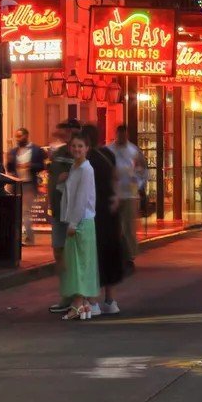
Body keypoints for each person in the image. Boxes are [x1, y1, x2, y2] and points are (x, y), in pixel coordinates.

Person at [84, 125, 126, 315]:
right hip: (110, 208)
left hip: (94, 211)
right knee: (109, 253)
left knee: (93, 254)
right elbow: (117, 178)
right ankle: (110, 300)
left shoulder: (86, 159)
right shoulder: (108, 155)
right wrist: (117, 197)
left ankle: (92, 301)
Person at [58, 132, 99, 320]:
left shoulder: (85, 169)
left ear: (87, 148)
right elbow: (71, 193)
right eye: (74, 146)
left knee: (78, 264)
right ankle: (82, 304)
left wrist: (73, 223)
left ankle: (77, 303)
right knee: (78, 263)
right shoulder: (75, 167)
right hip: (77, 219)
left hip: (81, 221)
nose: (77, 149)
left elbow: (82, 199)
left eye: (80, 146)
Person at [44, 120, 78, 314]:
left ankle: (78, 295)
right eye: (64, 129)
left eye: (70, 130)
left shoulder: (80, 155)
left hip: (74, 211)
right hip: (58, 210)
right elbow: (51, 181)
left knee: (74, 254)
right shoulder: (57, 154)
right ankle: (66, 293)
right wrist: (50, 207)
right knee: (59, 251)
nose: (66, 133)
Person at [108, 125, 141, 263]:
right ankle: (116, 254)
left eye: (124, 135)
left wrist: (137, 184)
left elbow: (141, 170)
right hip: (114, 193)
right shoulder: (109, 150)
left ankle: (130, 255)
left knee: (129, 225)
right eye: (120, 134)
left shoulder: (133, 150)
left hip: (130, 194)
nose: (122, 137)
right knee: (115, 225)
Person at [9, 128, 46, 246]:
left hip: (29, 184)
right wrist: (9, 161)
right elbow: (10, 168)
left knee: (25, 211)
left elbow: (42, 166)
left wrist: (30, 165)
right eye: (16, 137)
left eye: (20, 136)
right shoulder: (14, 151)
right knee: (15, 211)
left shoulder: (36, 150)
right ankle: (17, 238)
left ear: (26, 136)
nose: (18, 139)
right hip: (16, 184)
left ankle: (29, 238)